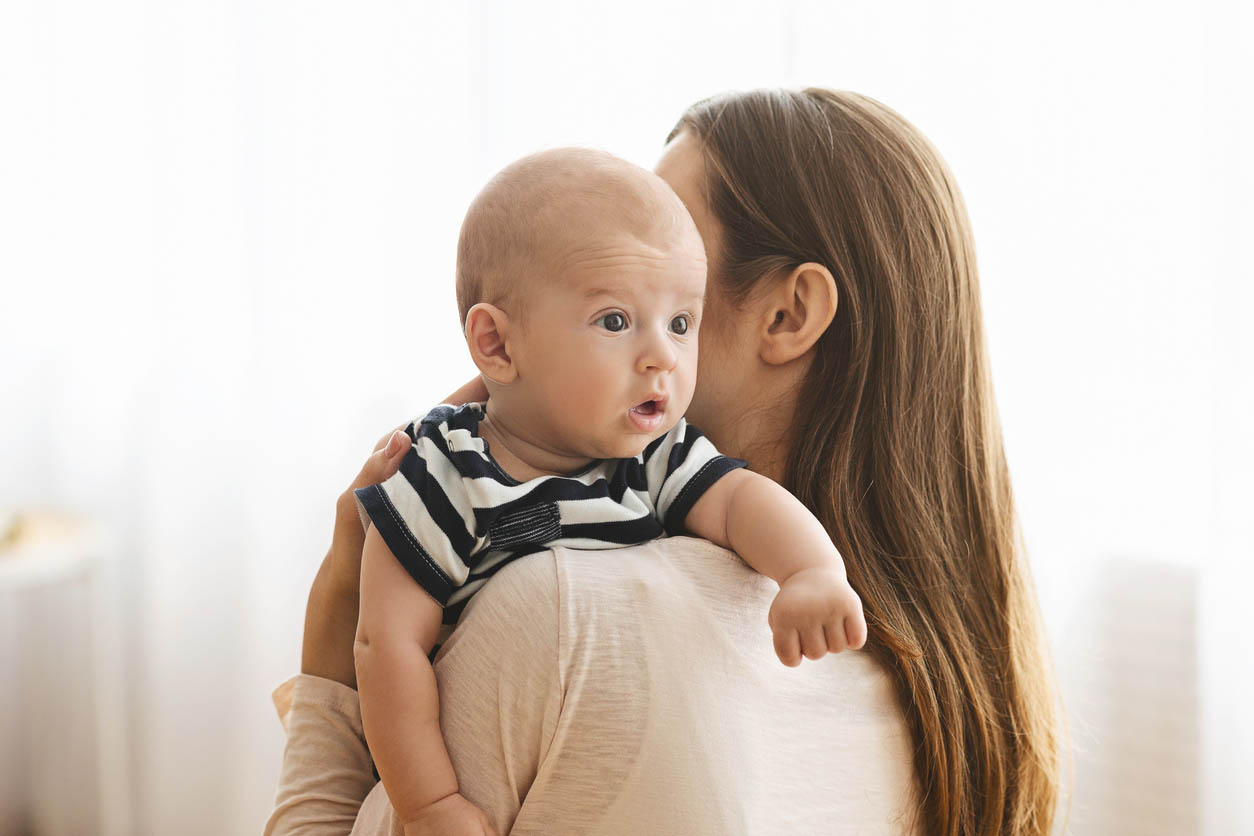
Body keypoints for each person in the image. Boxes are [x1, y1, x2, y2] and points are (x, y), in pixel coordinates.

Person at [266, 88, 1063, 836]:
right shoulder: (952, 683)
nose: (638, 249)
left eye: (678, 275)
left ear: (788, 314)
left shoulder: (562, 611)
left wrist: (337, 614)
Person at [352, 147, 867, 833]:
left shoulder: (649, 457)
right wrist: (430, 803)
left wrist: (810, 570)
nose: (663, 357)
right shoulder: (447, 469)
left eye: (682, 323)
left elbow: (742, 501)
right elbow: (386, 647)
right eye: (616, 321)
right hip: (446, 761)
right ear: (497, 346)